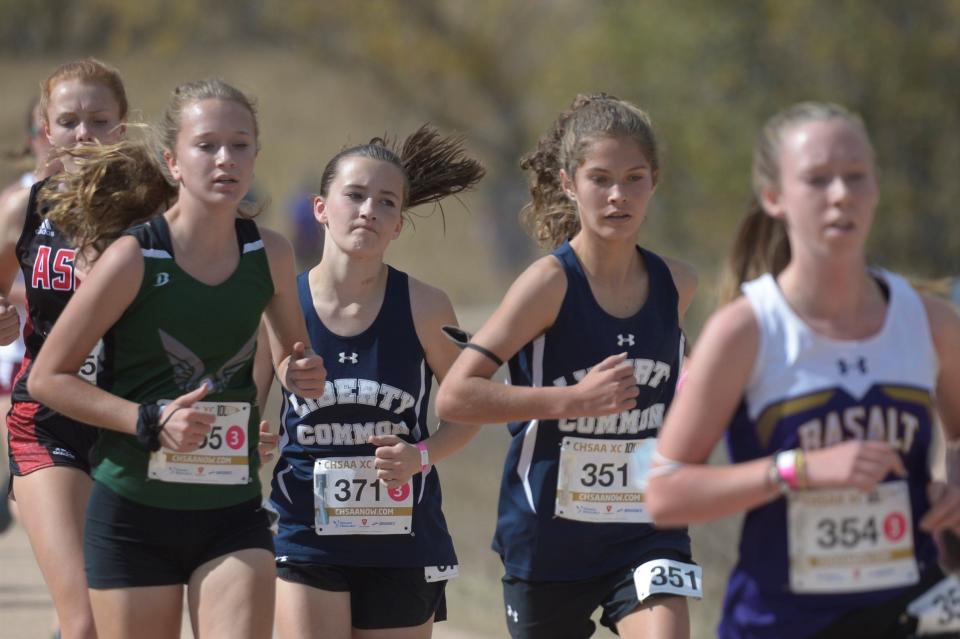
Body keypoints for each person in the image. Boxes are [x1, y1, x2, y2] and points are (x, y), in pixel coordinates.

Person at [646, 102, 960, 639]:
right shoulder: (745, 330)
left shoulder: (928, 321)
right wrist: (799, 469)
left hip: (918, 612)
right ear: (775, 198)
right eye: (817, 180)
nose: (841, 194)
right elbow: (665, 494)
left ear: (876, 187)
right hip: (782, 621)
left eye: (856, 177)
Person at [28, 78, 327, 639]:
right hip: (133, 511)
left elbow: (292, 359)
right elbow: (48, 377)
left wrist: (303, 374)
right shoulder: (134, 258)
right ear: (172, 161)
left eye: (240, 145)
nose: (225, 159)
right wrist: (145, 419)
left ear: (256, 156)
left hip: (231, 508)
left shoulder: (272, 254)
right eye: (207, 145)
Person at [436, 93, 699, 639]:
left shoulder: (678, 284)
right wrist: (574, 402)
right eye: (600, 178)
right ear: (568, 183)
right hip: (549, 538)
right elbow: (456, 396)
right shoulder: (548, 285)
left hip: (646, 528)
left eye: (633, 178)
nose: (617, 195)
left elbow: (682, 380)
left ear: (655, 180)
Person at [262, 127, 484, 639]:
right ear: (320, 208)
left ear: (399, 225)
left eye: (385, 202)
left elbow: (469, 408)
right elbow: (247, 409)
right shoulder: (277, 303)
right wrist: (255, 440)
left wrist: (420, 456)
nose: (368, 211)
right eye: (355, 196)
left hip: (401, 537)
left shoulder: (427, 306)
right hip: (304, 532)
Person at [0, 58, 130, 639]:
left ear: (122, 128)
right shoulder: (20, 210)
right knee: (83, 622)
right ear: (47, 131)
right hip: (45, 417)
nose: (85, 134)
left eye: (99, 119)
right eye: (70, 121)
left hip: (129, 419)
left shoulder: (154, 213)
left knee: (112, 620)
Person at [0, 97, 52, 534]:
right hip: (16, 348)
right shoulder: (18, 200)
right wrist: (24, 295)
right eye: (47, 128)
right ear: (36, 137)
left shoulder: (116, 199)